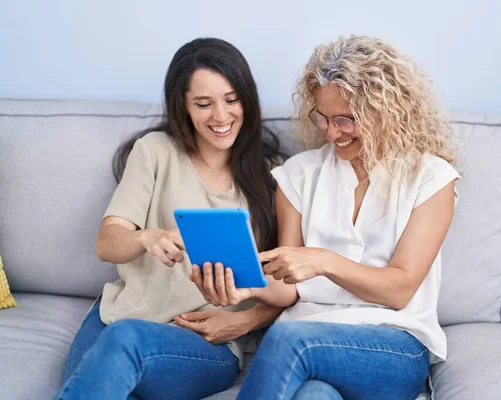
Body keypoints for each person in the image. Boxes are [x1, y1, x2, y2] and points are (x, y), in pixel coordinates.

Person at [192, 35, 460, 400]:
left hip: (390, 345)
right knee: (313, 396)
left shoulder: (430, 177)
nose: (332, 133)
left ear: (384, 110)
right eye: (323, 118)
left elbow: (399, 290)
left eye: (346, 120)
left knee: (289, 339)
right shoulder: (299, 174)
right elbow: (289, 288)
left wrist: (323, 261)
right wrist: (244, 284)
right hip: (306, 338)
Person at [53, 37, 286, 400]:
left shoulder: (275, 177)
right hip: (118, 319)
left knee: (124, 342)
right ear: (184, 106)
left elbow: (290, 289)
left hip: (203, 342)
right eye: (204, 104)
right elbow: (106, 244)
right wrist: (146, 237)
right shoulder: (155, 151)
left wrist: (245, 320)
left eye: (231, 100)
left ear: (247, 98)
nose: (221, 116)